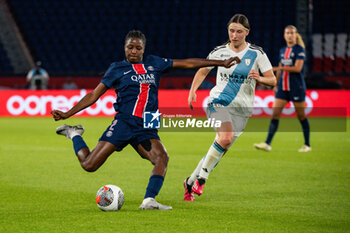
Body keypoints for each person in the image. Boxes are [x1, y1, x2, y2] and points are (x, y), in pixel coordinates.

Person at [50, 30, 240, 210]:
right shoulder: (117, 68)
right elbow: (93, 95)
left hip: (149, 122)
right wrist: (68, 113)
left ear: (144, 49)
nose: (134, 51)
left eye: (138, 48)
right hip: (125, 122)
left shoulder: (155, 63)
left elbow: (188, 63)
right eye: (130, 47)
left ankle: (149, 200)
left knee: (162, 158)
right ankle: (74, 133)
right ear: (124, 48)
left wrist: (219, 63)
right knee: (89, 165)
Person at [183, 14, 276, 201]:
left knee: (220, 148)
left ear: (247, 33)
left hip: (242, 109)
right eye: (231, 31)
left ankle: (189, 182)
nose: (234, 35)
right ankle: (202, 179)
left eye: (239, 31)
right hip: (217, 102)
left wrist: (260, 78)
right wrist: (193, 90)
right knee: (225, 138)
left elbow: (272, 80)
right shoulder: (219, 52)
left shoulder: (257, 53)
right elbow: (202, 70)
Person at [254, 25, 311, 152]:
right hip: (283, 89)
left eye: (292, 33)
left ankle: (307, 144)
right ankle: (267, 143)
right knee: (275, 114)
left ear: (295, 35)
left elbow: (297, 68)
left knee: (301, 116)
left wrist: (279, 68)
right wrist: (276, 84)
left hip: (297, 87)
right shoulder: (282, 50)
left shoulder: (299, 50)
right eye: (287, 33)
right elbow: (280, 69)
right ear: (284, 35)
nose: (290, 35)